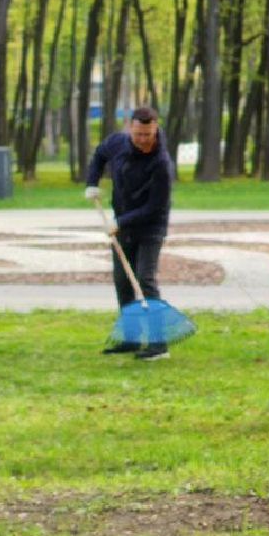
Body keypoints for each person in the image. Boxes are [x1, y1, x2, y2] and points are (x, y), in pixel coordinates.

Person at [84, 106, 175, 360]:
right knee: (123, 280)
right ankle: (132, 338)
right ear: (130, 129)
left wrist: (120, 222)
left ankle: (159, 344)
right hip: (122, 224)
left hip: (150, 227)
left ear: (155, 129)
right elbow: (99, 155)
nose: (143, 139)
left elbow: (154, 207)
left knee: (144, 279)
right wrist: (92, 182)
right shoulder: (117, 143)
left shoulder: (161, 164)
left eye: (147, 134)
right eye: (138, 134)